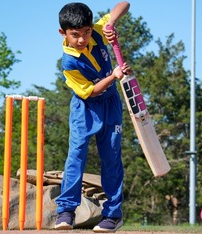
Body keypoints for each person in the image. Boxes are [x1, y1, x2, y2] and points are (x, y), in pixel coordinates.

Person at [55, 1, 132, 233]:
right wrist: (115, 76)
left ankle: (112, 215)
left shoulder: (96, 32)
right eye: (75, 35)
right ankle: (66, 211)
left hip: (111, 105)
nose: (82, 39)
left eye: (86, 32)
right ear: (63, 33)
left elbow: (124, 4)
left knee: (111, 158)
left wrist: (110, 23)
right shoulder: (68, 63)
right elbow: (90, 91)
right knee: (76, 156)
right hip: (85, 108)